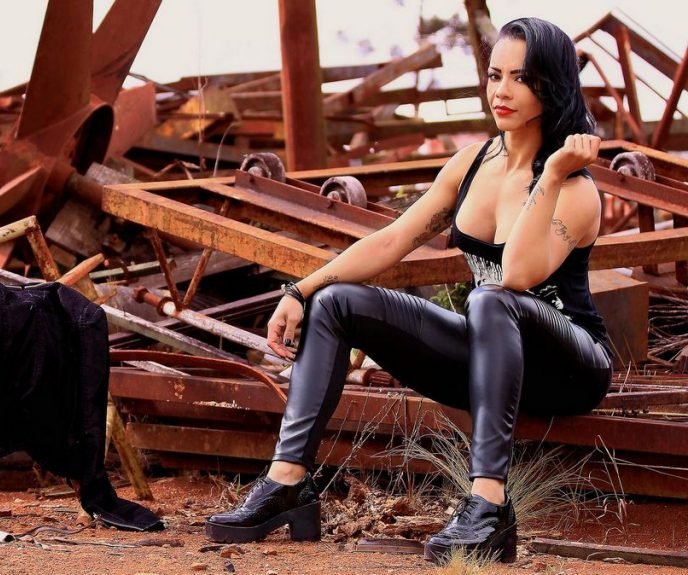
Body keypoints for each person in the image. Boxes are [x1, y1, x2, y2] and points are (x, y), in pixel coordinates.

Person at [205, 16, 614, 564]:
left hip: (569, 369)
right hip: (490, 359)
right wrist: (299, 291)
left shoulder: (577, 189)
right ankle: (287, 483)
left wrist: (554, 172)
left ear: (552, 85)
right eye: (495, 75)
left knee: (491, 298)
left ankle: (488, 505)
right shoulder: (472, 164)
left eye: (521, 78)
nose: (502, 91)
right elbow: (393, 239)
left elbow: (515, 276)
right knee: (336, 301)